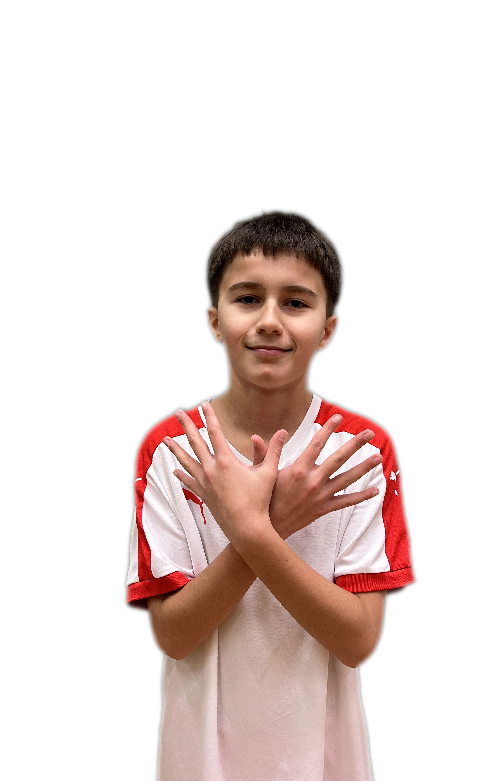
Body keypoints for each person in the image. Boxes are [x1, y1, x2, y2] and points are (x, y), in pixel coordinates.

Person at [126, 210, 416, 781]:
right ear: (215, 320)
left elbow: (358, 641)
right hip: (199, 765)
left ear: (327, 329)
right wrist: (273, 523)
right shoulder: (170, 449)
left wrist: (256, 528)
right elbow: (174, 636)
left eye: (296, 302)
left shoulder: (361, 449)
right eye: (248, 298)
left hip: (325, 763)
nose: (269, 321)